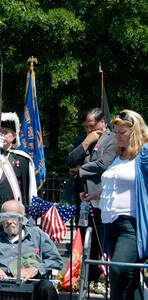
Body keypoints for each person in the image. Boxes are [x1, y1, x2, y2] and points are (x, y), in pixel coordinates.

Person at [93, 110, 148, 299]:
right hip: (111, 224)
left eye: (122, 133)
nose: (117, 137)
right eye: (115, 132)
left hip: (130, 224)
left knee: (119, 271)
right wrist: (95, 194)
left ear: (136, 131)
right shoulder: (120, 155)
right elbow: (115, 185)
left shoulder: (144, 154)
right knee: (120, 277)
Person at [0, 200, 63, 300]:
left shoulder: (38, 235)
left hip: (29, 285)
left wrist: (35, 269)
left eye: (13, 217)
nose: (9, 221)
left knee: (47, 287)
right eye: (5, 217)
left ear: (24, 217)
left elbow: (56, 261)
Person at [66, 107, 115, 281]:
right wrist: (86, 142)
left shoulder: (113, 139)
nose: (89, 130)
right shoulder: (83, 140)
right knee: (84, 239)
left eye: (92, 126)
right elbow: (71, 160)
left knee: (100, 240)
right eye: (86, 127)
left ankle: (102, 277)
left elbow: (104, 164)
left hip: (101, 198)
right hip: (83, 200)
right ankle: (86, 277)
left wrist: (80, 170)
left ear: (102, 122)